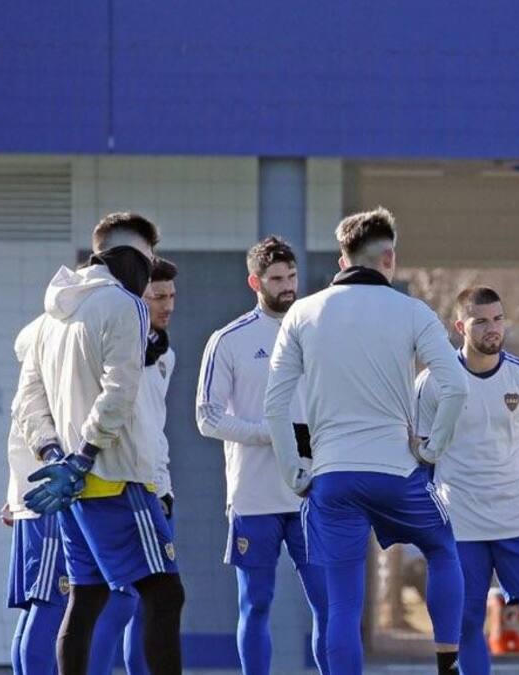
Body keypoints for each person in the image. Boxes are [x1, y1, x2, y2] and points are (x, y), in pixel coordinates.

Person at [264, 207, 469, 675]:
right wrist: (432, 448)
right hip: (398, 473)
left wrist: (294, 470)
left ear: (342, 260)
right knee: (442, 547)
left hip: (332, 477)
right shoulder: (413, 312)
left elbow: (275, 405)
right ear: (389, 259)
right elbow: (455, 387)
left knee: (341, 606)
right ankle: (447, 662)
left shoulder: (302, 312)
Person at [16, 212, 184, 675]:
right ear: (130, 258)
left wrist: (55, 457)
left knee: (88, 597)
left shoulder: (50, 317)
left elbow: (28, 401)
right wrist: (84, 456)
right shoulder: (124, 305)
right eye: (148, 264)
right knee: (165, 594)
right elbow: (120, 393)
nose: (150, 277)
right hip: (116, 477)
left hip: (72, 489)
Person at [415, 286, 519, 675]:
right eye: (481, 321)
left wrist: (509, 488)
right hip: (461, 524)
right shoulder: (432, 383)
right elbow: (423, 458)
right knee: (466, 623)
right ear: (459, 326)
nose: (492, 329)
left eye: (498, 319)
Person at [196, 237, 329, 675]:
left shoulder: (318, 330)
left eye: (292, 276)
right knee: (256, 603)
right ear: (255, 281)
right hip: (254, 496)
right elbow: (207, 418)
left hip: (311, 493)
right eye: (276, 278)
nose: (287, 285)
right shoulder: (228, 339)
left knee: (328, 601)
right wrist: (271, 435)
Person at [89, 257, 180, 675]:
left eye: (171, 296)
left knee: (148, 604)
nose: (167, 305)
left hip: (157, 487)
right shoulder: (120, 346)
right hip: (125, 485)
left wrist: (163, 485)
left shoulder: (166, 354)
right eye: (157, 296)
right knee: (127, 596)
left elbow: (151, 425)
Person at [2, 317, 68, 675]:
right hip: (48, 499)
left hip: (32, 498)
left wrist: (13, 494)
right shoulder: (47, 382)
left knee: (38, 606)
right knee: (50, 602)